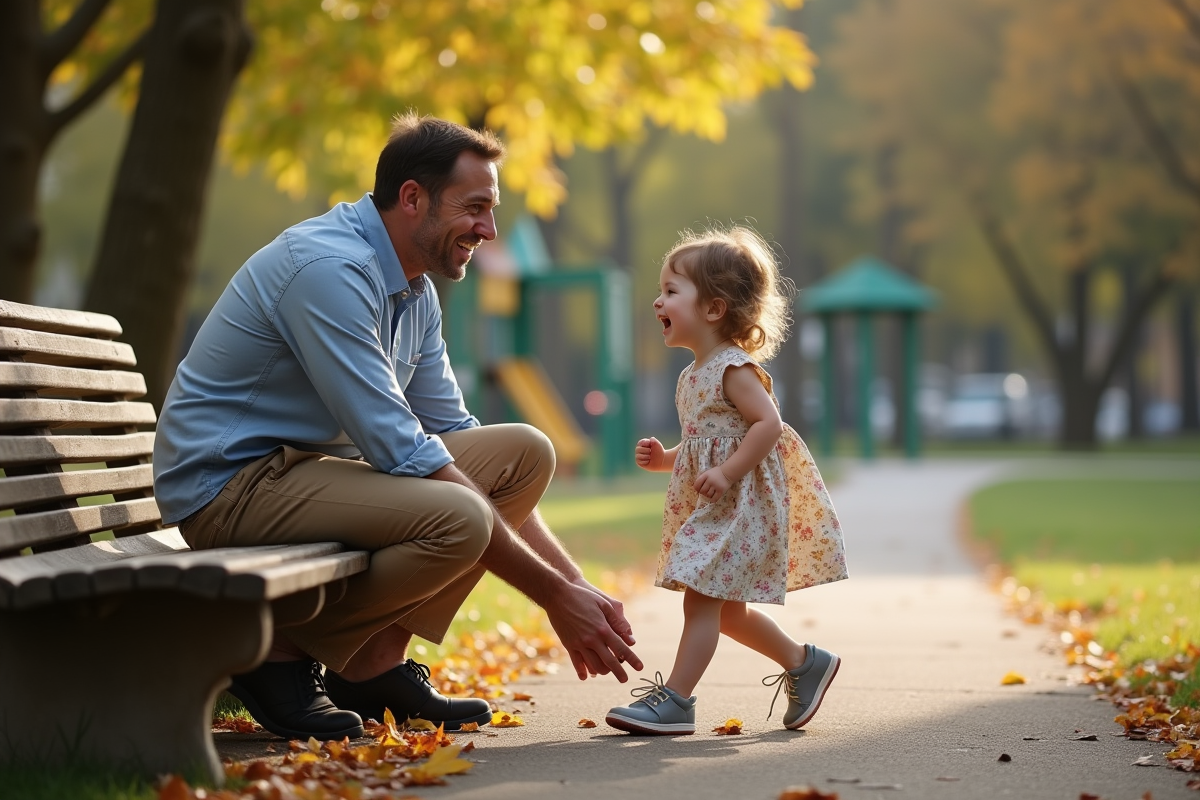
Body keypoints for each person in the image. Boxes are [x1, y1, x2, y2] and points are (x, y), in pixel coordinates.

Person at [153, 113, 642, 742]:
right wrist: (553, 596)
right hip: (229, 488)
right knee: (461, 516)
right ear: (413, 198)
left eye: (491, 211)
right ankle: (273, 654)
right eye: (474, 208)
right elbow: (399, 445)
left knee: (523, 453)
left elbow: (453, 429)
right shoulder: (328, 269)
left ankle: (371, 665)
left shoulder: (415, 291)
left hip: (299, 472)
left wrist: (578, 589)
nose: (488, 230)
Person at [604, 225, 848, 736]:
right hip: (717, 504)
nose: (657, 301)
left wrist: (727, 471)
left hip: (741, 506)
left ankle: (677, 701)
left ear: (714, 309)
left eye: (672, 291)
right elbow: (704, 446)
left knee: (699, 598)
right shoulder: (691, 375)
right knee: (729, 614)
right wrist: (665, 459)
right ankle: (805, 663)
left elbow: (768, 426)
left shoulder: (734, 369)